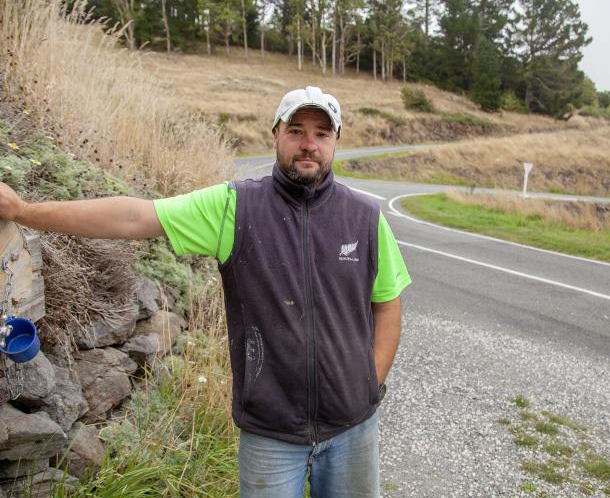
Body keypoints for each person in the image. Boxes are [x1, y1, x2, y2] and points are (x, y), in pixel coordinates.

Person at [0, 85, 411, 497]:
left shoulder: (366, 217)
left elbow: (387, 305)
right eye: (296, 130)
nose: (308, 144)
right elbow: (133, 217)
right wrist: (23, 212)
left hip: (353, 429)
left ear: (336, 140)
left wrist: (367, 384)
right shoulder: (235, 208)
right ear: (275, 134)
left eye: (322, 133)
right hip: (270, 433)